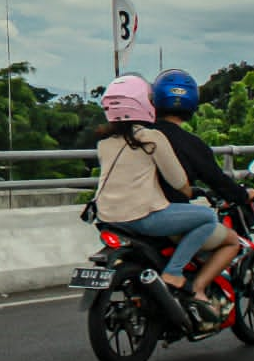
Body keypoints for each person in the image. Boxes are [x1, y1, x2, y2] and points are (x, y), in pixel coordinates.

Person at [93, 74, 227, 324]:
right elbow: (178, 180)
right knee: (207, 217)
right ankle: (174, 273)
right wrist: (188, 192)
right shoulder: (151, 138)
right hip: (144, 218)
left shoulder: (105, 144)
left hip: (108, 219)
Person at [149, 68, 254, 319]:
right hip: (168, 218)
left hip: (132, 213)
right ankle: (197, 290)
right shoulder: (192, 144)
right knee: (231, 241)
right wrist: (243, 194)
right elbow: (218, 181)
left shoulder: (141, 137)